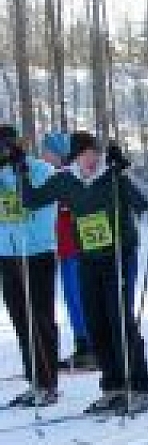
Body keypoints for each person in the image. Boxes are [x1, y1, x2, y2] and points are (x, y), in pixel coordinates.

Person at [19, 131, 148, 414]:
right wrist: (21, 172)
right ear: (74, 158)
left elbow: (144, 202)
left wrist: (125, 171)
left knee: (120, 320)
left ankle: (139, 385)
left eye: (94, 153)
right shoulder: (66, 180)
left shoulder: (112, 174)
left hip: (118, 256)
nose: (90, 159)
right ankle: (113, 386)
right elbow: (31, 200)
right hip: (88, 258)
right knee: (95, 323)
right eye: (84, 155)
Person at [0, 125, 59, 407]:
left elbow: (42, 207)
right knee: (20, 319)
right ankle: (34, 379)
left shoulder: (40, 170)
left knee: (39, 318)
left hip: (36, 252)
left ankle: (48, 383)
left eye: (6, 145)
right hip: (8, 254)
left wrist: (21, 174)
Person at [40, 132, 98, 371]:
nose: (43, 156)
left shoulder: (69, 177)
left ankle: (91, 347)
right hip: (65, 249)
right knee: (72, 300)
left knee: (80, 298)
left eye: (47, 152)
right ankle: (83, 345)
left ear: (58, 154)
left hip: (77, 249)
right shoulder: (56, 176)